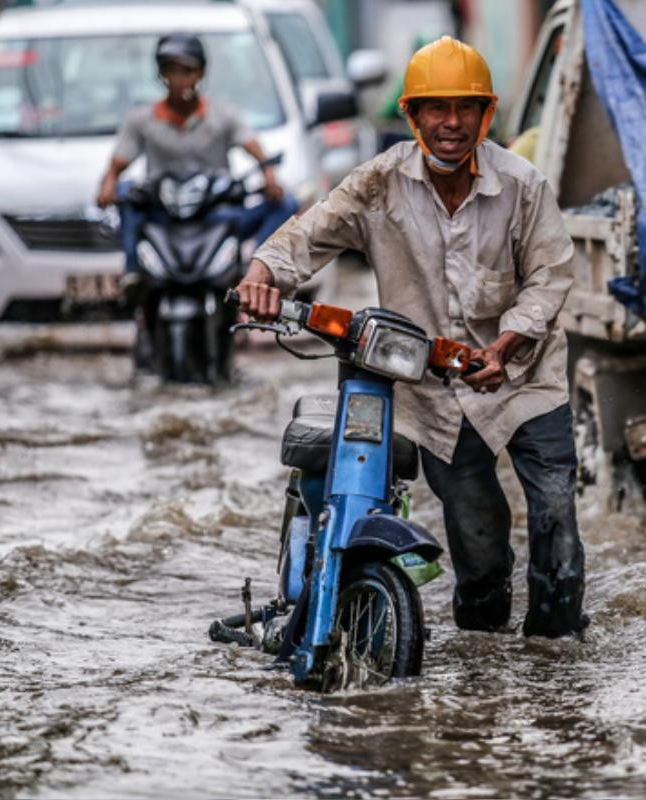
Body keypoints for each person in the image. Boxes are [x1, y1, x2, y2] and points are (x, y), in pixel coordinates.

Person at [237, 36, 588, 639]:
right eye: (435, 108)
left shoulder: (523, 186)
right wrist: (262, 274)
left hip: (528, 380)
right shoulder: (377, 183)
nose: (451, 124)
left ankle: (556, 655)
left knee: (556, 517)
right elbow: (308, 235)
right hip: (437, 393)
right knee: (476, 541)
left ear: (487, 114)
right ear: (410, 114)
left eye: (465, 109)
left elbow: (551, 277)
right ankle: (485, 660)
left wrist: (505, 347)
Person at [96, 32, 297, 275]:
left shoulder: (223, 116)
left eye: (186, 71)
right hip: (163, 216)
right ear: (161, 74)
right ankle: (133, 270)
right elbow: (116, 167)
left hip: (215, 214)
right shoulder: (142, 120)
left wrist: (269, 175)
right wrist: (108, 185)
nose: (179, 80)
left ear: (200, 73)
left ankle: (256, 270)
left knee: (286, 204)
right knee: (125, 190)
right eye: (172, 70)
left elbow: (256, 149)